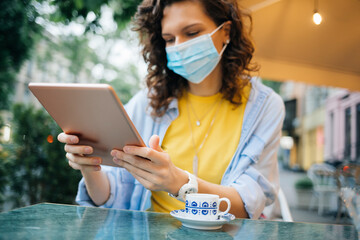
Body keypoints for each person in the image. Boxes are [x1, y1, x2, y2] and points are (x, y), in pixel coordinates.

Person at [57, 0, 285, 219]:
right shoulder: (146, 104)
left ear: (226, 31)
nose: (180, 46)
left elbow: (247, 206)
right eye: (169, 38)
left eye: (192, 33)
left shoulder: (265, 107)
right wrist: (90, 166)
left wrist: (179, 182)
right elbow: (109, 198)